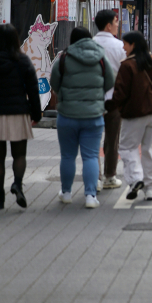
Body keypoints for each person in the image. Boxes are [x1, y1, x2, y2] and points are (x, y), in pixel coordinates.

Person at [50, 27, 114, 209]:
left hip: (67, 115)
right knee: (91, 156)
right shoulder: (101, 57)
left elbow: (54, 82)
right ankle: (90, 196)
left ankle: (67, 193)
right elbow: (110, 80)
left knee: (68, 156)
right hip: (93, 116)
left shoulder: (63, 57)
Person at [106, 30, 152, 201]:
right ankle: (150, 188)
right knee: (148, 150)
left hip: (134, 114)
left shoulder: (127, 66)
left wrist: (109, 107)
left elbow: (120, 93)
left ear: (133, 44)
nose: (123, 48)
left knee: (127, 148)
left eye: (125, 44)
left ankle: (136, 180)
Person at [0, 24, 42, 210]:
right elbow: (33, 91)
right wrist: (36, 114)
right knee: (19, 154)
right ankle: (17, 185)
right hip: (19, 112)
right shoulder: (23, 60)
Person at [93, 9, 126, 190]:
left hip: (93, 98)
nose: (117, 24)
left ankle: (95, 177)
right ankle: (109, 176)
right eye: (115, 21)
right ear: (108, 25)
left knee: (92, 139)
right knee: (112, 139)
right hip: (114, 98)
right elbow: (124, 75)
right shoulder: (120, 47)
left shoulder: (90, 44)